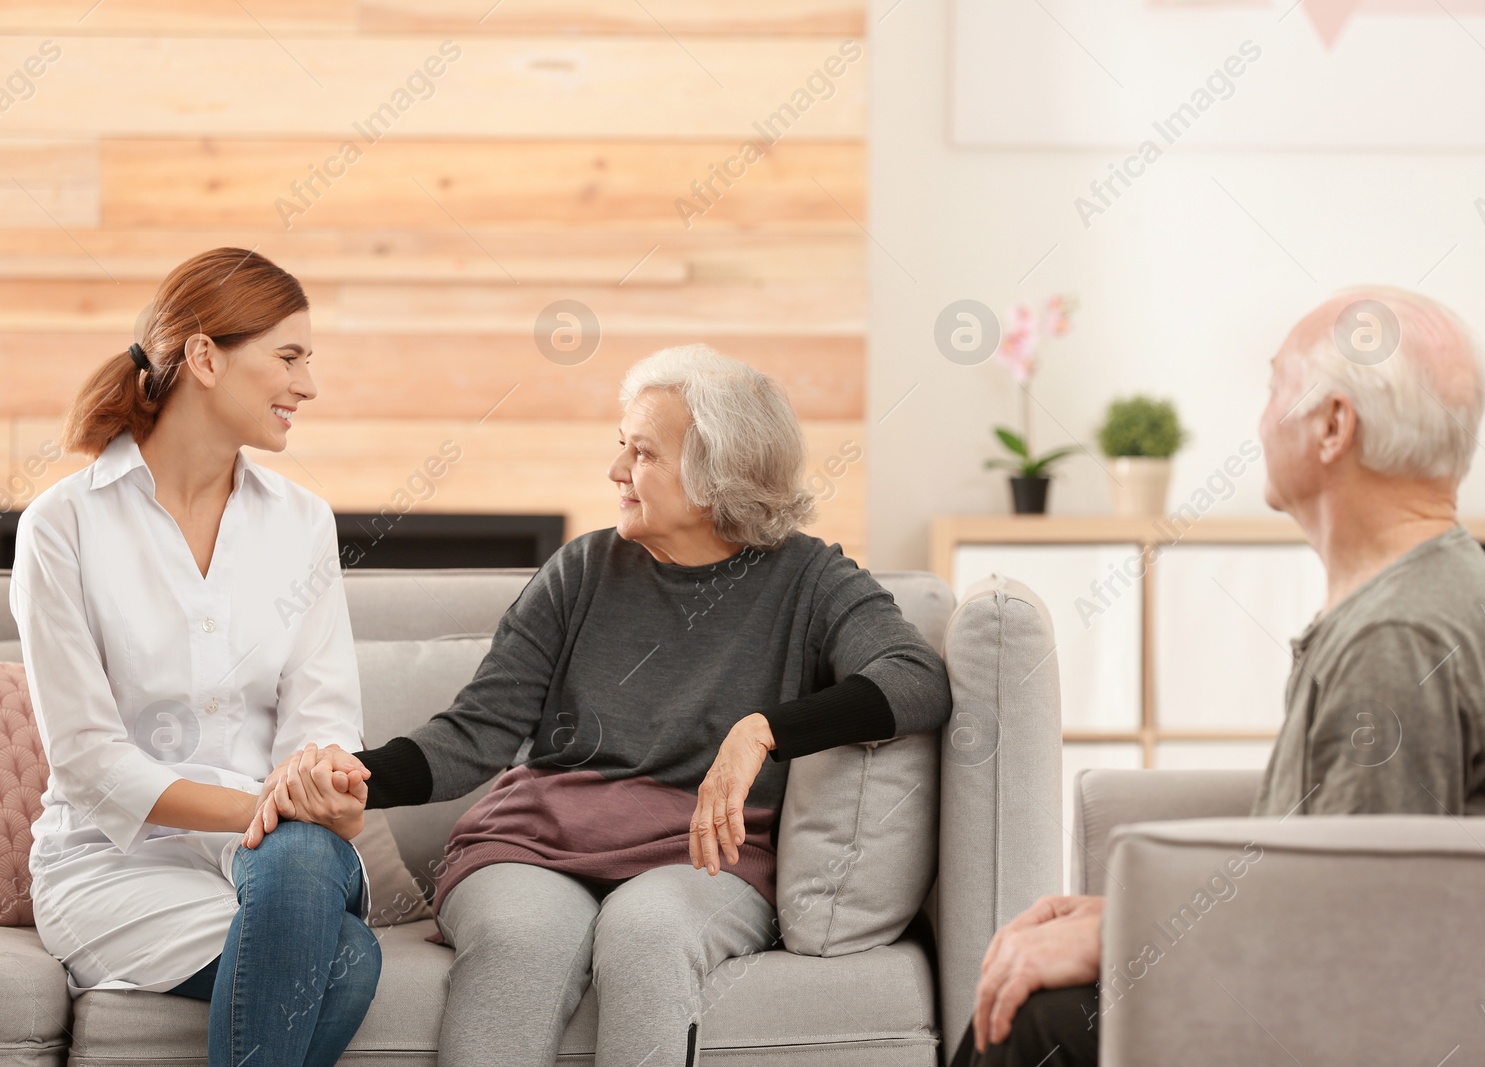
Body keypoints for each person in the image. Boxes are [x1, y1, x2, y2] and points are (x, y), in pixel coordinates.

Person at [243, 344, 954, 1067]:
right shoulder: (583, 569)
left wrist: (763, 730)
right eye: (622, 446)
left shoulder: (811, 578)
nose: (616, 470)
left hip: (702, 858)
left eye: (642, 453)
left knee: (647, 933)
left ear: (720, 475)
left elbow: (915, 677)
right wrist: (350, 773)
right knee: (521, 939)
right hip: (532, 845)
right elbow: (476, 733)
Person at [950, 287, 1485, 1066]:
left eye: (1276, 387)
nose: (1260, 418)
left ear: (1334, 426)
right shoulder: (1419, 593)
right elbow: (1326, 865)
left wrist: (1125, 932)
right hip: (1380, 979)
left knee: (1026, 1020)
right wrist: (1134, 907)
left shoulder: (1397, 637)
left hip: (1399, 1016)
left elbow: (1363, 921)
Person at [17, 248, 381, 1067]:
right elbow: (89, 764)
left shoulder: (302, 523)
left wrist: (323, 785)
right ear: (206, 357)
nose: (309, 385)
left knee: (299, 852)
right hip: (116, 867)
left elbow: (323, 723)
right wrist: (270, 805)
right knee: (346, 958)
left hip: (286, 861)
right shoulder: (63, 527)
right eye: (289, 357)